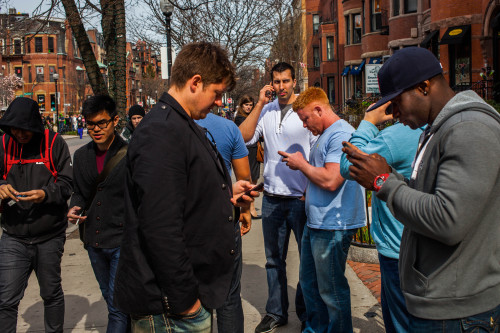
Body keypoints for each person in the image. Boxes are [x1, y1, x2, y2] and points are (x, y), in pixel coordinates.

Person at [343, 47, 500, 331]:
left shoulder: (469, 128)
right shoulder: (439, 129)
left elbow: (448, 220)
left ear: (423, 87)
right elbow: (429, 199)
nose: (393, 112)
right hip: (441, 303)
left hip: (458, 311)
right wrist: (390, 176)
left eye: (397, 102)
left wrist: (383, 182)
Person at [113, 41, 259, 333]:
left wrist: (227, 194)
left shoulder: (181, 124)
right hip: (169, 308)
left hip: (182, 300)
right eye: (217, 93)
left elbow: (182, 193)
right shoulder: (161, 131)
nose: (219, 102)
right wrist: (186, 303)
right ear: (195, 83)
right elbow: (159, 226)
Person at [280, 87, 365, 333]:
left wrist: (301, 164)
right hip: (318, 222)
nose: (305, 125)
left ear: (319, 109)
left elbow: (331, 180)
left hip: (333, 225)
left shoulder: (341, 135)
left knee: (331, 289)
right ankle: (315, 329)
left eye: (306, 118)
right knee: (310, 284)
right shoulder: (327, 134)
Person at [239, 62, 316, 332]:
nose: (281, 87)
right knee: (273, 261)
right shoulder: (267, 111)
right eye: (276, 82)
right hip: (271, 198)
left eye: (286, 81)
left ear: (294, 82)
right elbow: (244, 138)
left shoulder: (304, 110)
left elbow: (316, 151)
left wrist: (310, 189)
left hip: (300, 200)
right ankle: (275, 313)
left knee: (307, 262)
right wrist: (260, 104)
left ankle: (307, 313)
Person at [340, 104, 422, 333]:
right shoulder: (446, 129)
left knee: (400, 323)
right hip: (432, 247)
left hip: (397, 248)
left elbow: (348, 166)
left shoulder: (397, 135)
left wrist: (367, 122)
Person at [0, 97, 73, 333]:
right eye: (14, 129)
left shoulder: (54, 143)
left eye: (25, 130)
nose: (19, 135)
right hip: (13, 235)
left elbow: (67, 183)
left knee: (51, 293)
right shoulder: (3, 144)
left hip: (50, 235)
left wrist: (45, 194)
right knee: (6, 299)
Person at [67, 95, 129, 333]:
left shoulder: (130, 154)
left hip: (121, 240)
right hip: (93, 240)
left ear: (115, 121)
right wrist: (75, 207)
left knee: (116, 305)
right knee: (110, 298)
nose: (96, 129)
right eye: (90, 124)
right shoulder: (82, 156)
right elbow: (80, 193)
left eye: (101, 123)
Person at [196, 111, 251, 333]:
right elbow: (244, 178)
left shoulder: (170, 126)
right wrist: (245, 211)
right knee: (229, 296)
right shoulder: (229, 128)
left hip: (189, 224)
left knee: (194, 299)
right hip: (224, 219)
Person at [234, 95, 261, 218]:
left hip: (254, 149)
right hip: (245, 150)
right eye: (246, 105)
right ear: (242, 105)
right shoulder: (239, 118)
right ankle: (249, 208)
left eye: (250, 105)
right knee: (247, 180)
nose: (249, 107)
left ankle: (250, 206)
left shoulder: (252, 116)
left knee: (254, 179)